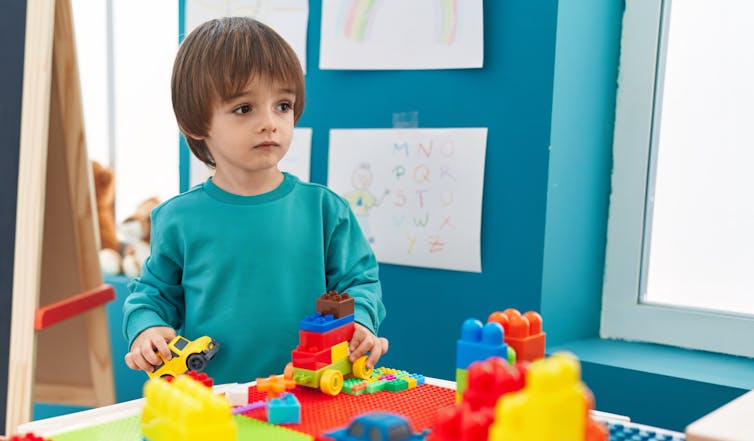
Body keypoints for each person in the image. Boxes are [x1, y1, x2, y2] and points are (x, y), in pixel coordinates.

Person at [122, 17, 388, 384]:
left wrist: (360, 322)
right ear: (196, 121)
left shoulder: (325, 210)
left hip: (309, 393)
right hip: (212, 401)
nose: (270, 123)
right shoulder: (177, 218)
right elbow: (152, 295)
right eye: (244, 109)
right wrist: (146, 330)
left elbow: (359, 282)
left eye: (282, 105)